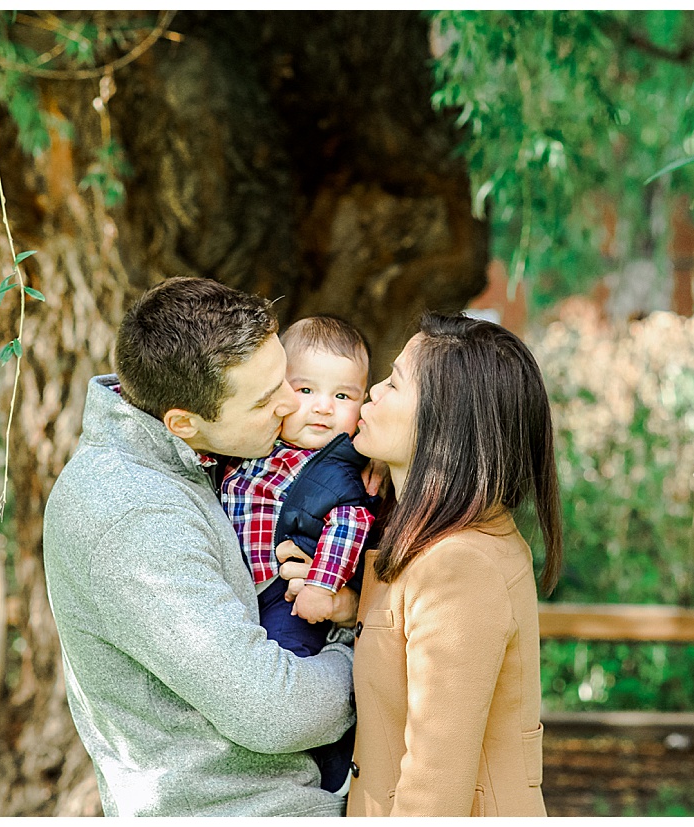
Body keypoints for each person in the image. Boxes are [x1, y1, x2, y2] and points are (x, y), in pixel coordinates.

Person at [42, 277, 359, 817]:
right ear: (182, 423)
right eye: (266, 400)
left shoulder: (196, 455)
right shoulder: (133, 512)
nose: (291, 405)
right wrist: (367, 650)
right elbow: (269, 707)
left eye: (285, 378)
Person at [282, 313, 563, 817]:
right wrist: (351, 609)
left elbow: (437, 782)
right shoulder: (427, 531)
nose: (371, 394)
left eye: (394, 383)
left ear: (444, 420)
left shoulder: (462, 562)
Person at [219, 315, 379, 794]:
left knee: (288, 676)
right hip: (242, 593)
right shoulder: (255, 447)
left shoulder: (341, 470)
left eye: (343, 397)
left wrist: (321, 585)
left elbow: (350, 522)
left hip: (290, 600)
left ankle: (325, 779)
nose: (323, 409)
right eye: (305, 390)